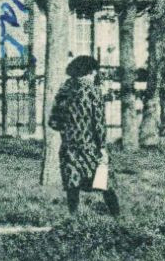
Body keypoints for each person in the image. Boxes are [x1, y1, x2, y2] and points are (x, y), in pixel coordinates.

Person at [48, 55, 120, 216]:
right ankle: (118, 218)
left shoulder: (64, 90)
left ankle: (73, 218)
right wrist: (102, 147)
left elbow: (53, 122)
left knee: (72, 183)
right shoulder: (93, 91)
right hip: (90, 145)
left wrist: (66, 131)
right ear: (90, 71)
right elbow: (99, 122)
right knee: (105, 181)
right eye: (95, 72)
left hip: (69, 145)